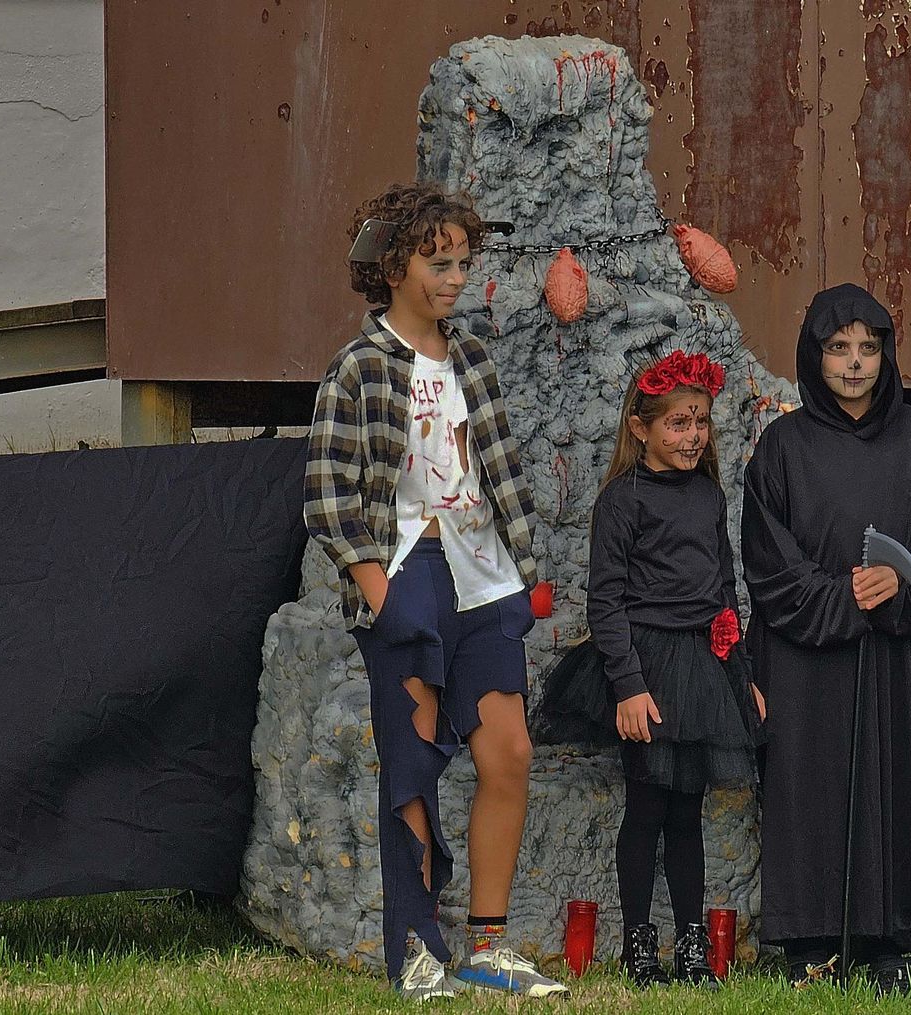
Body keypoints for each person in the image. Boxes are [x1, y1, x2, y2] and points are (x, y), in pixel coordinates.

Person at [304, 182, 567, 1000]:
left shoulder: (473, 359)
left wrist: (526, 566)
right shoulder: (359, 368)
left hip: (484, 572)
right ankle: (417, 949)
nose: (455, 277)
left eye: (463, 261)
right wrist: (381, 593)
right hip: (407, 573)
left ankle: (487, 945)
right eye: (437, 261)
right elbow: (328, 496)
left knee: (509, 752)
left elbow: (502, 468)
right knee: (412, 768)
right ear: (392, 265)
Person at [741, 283, 911, 995]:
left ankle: (888, 940)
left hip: (894, 652)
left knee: (891, 781)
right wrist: (842, 596)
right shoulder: (782, 445)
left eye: (867, 349)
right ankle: (811, 939)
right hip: (806, 658)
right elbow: (767, 558)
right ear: (815, 355)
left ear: (885, 355)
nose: (853, 363)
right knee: (808, 784)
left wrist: (901, 585)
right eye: (839, 348)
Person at [535, 350, 763, 988]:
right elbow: (605, 602)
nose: (692, 437)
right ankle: (639, 944)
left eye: (700, 423)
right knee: (648, 806)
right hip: (644, 666)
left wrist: (740, 675)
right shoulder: (622, 500)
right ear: (642, 428)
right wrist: (628, 688)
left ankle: (692, 946)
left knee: (687, 810)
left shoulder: (709, 495)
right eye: (678, 425)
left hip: (700, 665)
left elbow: (724, 592)